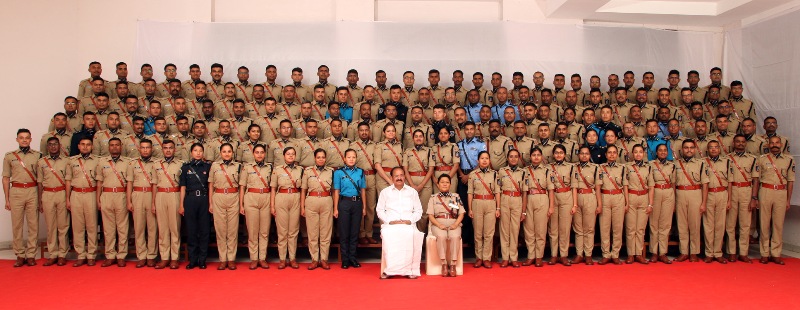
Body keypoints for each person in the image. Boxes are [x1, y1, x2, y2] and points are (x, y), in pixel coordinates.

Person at [377, 167, 424, 279]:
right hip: (390, 224)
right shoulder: (385, 192)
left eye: (401, 175)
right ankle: (390, 270)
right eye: (396, 176)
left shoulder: (412, 192)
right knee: (389, 235)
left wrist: (410, 220)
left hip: (408, 223)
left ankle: (409, 270)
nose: (399, 178)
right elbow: (379, 210)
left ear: (405, 177)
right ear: (392, 178)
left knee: (410, 234)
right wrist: (389, 221)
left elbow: (419, 211)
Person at [754, 135, 795, 265]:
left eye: (777, 143)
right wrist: (755, 197)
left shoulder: (789, 160)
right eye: (772, 143)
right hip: (765, 191)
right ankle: (764, 253)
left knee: (778, 224)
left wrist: (788, 199)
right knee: (764, 224)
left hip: (781, 193)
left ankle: (776, 253)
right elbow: (756, 179)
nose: (774, 145)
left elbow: (790, 181)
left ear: (781, 145)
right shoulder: (761, 159)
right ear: (768, 145)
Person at [3, 129, 41, 267]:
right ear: (17, 139)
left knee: (33, 224)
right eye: (21, 138)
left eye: (27, 138)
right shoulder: (9, 156)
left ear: (31, 139)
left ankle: (31, 254)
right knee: (17, 225)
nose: (24, 140)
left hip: (32, 190)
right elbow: (6, 178)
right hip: (16, 191)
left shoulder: (38, 156)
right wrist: (7, 199)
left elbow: (41, 179)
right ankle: (19, 254)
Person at [94, 137, 131, 268]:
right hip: (106, 195)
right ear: (108, 147)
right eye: (112, 145)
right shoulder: (102, 162)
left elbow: (129, 183)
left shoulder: (127, 162)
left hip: (121, 195)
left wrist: (128, 200)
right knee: (108, 228)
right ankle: (110, 255)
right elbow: (99, 182)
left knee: (122, 227)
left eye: (117, 145)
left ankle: (121, 255)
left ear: (121, 146)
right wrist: (98, 199)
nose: (114, 147)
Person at [65, 137, 100, 266]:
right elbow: (68, 180)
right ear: (78, 146)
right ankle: (80, 254)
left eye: (88, 145)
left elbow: (100, 181)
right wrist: (68, 198)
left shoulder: (97, 161)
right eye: (83, 144)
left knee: (91, 225)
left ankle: (91, 254)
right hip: (76, 194)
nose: (85, 147)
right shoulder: (72, 161)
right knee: (78, 226)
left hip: (91, 193)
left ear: (92, 147)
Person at [36, 137, 70, 266]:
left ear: (59, 145)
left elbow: (68, 181)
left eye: (55, 144)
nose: (53, 147)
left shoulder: (66, 161)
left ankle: (62, 254)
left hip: (61, 193)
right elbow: (39, 183)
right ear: (47, 147)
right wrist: (40, 200)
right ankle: (53, 253)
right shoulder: (41, 162)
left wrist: (68, 198)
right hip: (48, 193)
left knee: (63, 226)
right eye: (50, 145)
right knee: (51, 226)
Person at [674, 139, 709, 263]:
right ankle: (684, 251)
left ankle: (694, 252)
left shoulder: (701, 164)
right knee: (682, 225)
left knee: (694, 225)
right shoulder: (676, 164)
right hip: (680, 193)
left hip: (695, 193)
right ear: (682, 150)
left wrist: (704, 203)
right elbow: (673, 183)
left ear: (694, 149)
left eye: (691, 148)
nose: (689, 150)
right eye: (686, 148)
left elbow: (705, 184)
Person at [238, 144, 273, 270]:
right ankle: (253, 258)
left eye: (262, 152)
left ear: (265, 154)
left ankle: (262, 258)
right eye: (257, 152)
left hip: (266, 198)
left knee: (264, 230)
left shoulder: (270, 167)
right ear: (253, 154)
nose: (259, 155)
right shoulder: (247, 167)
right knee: (252, 231)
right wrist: (241, 204)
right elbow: (242, 186)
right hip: (251, 197)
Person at [208, 143, 241, 270]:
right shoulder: (215, 166)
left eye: (229, 151)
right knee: (220, 229)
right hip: (219, 196)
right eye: (224, 151)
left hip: (233, 197)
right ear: (220, 153)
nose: (227, 154)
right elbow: (211, 184)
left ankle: (231, 259)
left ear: (232, 153)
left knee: (232, 230)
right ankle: (223, 259)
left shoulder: (238, 166)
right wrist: (210, 202)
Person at [725, 134, 758, 263]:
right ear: (733, 143)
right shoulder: (727, 159)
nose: (740, 144)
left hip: (746, 191)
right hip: (731, 191)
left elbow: (755, 180)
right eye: (737, 141)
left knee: (745, 224)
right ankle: (731, 251)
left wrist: (754, 198)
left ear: (746, 144)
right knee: (730, 224)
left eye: (742, 142)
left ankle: (743, 252)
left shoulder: (752, 159)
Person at [126, 139, 158, 268]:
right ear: (139, 149)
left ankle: (151, 255)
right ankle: (141, 255)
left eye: (148, 148)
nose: (145, 150)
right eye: (143, 148)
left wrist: (154, 201)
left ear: (152, 149)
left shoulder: (156, 163)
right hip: (137, 194)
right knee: (139, 228)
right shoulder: (132, 164)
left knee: (152, 227)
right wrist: (129, 201)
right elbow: (129, 183)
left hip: (151, 194)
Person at [152, 140, 184, 269]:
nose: (168, 150)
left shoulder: (180, 164)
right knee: (162, 228)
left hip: (174, 195)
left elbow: (182, 185)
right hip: (160, 195)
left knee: (174, 227)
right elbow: (154, 184)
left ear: (174, 149)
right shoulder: (156, 165)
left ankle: (175, 258)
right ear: (162, 149)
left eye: (171, 148)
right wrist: (153, 202)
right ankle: (164, 257)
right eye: (165, 148)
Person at [270, 147, 303, 269]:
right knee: (282, 231)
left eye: (293, 154)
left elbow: (302, 188)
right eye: (288, 154)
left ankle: (293, 258)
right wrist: (272, 205)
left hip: (295, 197)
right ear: (284, 156)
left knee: (293, 231)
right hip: (281, 197)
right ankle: (282, 258)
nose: (290, 156)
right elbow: (273, 188)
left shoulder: (300, 170)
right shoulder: (277, 170)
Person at [333, 149, 367, 269]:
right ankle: (345, 259)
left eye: (353, 157)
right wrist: (335, 208)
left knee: (354, 232)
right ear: (344, 159)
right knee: (344, 232)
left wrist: (364, 207)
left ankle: (353, 258)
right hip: (344, 203)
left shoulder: (361, 172)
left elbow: (363, 190)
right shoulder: (338, 173)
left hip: (357, 203)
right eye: (349, 157)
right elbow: (336, 191)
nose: (351, 159)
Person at [301, 149, 334, 270]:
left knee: (325, 232)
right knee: (312, 232)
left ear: (326, 158)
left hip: (326, 200)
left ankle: (324, 259)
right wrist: (302, 206)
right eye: (318, 157)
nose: (321, 159)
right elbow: (303, 190)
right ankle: (314, 259)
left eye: (323, 157)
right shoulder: (308, 171)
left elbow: (334, 191)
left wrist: (335, 207)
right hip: (311, 201)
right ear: (314, 158)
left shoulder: (331, 171)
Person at [521, 147, 554, 267]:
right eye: (534, 155)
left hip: (542, 198)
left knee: (540, 229)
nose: (536, 157)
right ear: (530, 157)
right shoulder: (525, 171)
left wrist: (551, 206)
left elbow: (551, 190)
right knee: (529, 229)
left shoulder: (547, 171)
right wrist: (523, 210)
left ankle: (539, 256)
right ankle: (531, 256)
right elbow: (524, 191)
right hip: (529, 198)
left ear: (542, 157)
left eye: (538, 155)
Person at [180, 143, 211, 269]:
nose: (198, 153)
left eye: (200, 150)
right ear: (191, 152)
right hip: (190, 199)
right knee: (191, 230)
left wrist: (210, 203)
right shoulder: (185, 167)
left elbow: (210, 186)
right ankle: (192, 260)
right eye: (195, 150)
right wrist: (181, 205)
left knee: (204, 231)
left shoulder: (208, 167)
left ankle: (202, 259)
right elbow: (183, 187)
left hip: (204, 199)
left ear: (203, 153)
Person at [427, 174, 465, 277]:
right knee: (441, 236)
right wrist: (439, 225)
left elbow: (461, 213)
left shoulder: (456, 197)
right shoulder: (433, 198)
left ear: (450, 184)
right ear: (438, 185)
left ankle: (452, 264)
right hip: (438, 222)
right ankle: (443, 264)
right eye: (442, 182)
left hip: (453, 222)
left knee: (455, 236)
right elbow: (430, 215)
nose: (444, 184)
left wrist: (456, 224)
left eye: (447, 182)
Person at [468, 151, 500, 268]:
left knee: (489, 233)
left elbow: (497, 192)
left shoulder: (495, 174)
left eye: (487, 158)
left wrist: (498, 208)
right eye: (482, 158)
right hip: (477, 203)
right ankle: (479, 257)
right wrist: (470, 208)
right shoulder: (473, 175)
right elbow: (470, 193)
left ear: (489, 161)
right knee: (477, 233)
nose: (484, 160)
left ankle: (486, 257)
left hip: (490, 203)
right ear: (478, 161)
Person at [497, 149, 527, 268]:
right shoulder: (501, 171)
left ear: (519, 158)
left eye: (515, 157)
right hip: (505, 198)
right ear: (507, 158)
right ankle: (505, 257)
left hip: (517, 199)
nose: (513, 159)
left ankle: (513, 257)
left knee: (515, 229)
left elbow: (525, 193)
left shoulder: (523, 172)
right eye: (511, 156)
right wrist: (498, 207)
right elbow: (497, 190)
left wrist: (524, 211)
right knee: (504, 230)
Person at [598, 145, 628, 262]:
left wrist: (627, 202)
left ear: (617, 155)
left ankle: (615, 254)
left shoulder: (622, 168)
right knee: (604, 227)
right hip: (605, 196)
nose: (611, 155)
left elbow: (625, 186)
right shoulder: (600, 168)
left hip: (618, 197)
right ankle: (605, 254)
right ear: (605, 155)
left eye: (614, 152)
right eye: (609, 152)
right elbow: (598, 186)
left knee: (617, 227)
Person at [624, 144, 653, 264]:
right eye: (635, 152)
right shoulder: (627, 167)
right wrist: (626, 201)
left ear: (644, 154)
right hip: (631, 196)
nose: (638, 154)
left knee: (640, 228)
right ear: (632, 154)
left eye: (640, 152)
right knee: (631, 228)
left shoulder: (648, 167)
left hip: (644, 197)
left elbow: (651, 186)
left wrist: (650, 204)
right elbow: (625, 185)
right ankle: (631, 254)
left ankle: (639, 253)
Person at [548, 145, 577, 266]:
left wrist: (575, 204)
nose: (559, 155)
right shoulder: (548, 168)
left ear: (565, 154)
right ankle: (554, 255)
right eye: (556, 153)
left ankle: (564, 255)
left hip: (566, 196)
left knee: (564, 228)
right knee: (553, 228)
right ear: (553, 154)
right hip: (553, 196)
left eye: (561, 152)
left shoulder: (571, 167)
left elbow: (574, 186)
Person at [572, 146, 600, 265]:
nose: (584, 155)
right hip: (577, 197)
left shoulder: (595, 168)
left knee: (589, 228)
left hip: (590, 197)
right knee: (578, 228)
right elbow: (573, 187)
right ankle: (579, 253)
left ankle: (588, 254)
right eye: (582, 153)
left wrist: (599, 204)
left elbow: (598, 188)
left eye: (586, 154)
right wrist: (574, 203)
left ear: (589, 155)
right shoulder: (574, 168)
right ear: (578, 155)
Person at [403, 129, 435, 232]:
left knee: (424, 211)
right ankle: (411, 233)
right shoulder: (407, 152)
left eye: (420, 136)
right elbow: (405, 169)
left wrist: (421, 185)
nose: (418, 138)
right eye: (416, 136)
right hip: (410, 181)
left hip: (425, 182)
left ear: (424, 138)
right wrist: (412, 184)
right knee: (409, 209)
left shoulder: (429, 151)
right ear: (413, 139)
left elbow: (431, 170)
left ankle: (421, 234)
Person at [648, 144, 676, 263]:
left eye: (665, 150)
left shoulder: (672, 166)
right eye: (660, 150)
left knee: (665, 224)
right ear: (656, 152)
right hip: (656, 192)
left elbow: (674, 183)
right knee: (654, 223)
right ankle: (654, 252)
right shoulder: (651, 165)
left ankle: (663, 252)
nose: (663, 152)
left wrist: (673, 199)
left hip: (668, 192)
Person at [374, 123, 403, 194]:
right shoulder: (379, 146)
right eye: (388, 131)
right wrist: (389, 181)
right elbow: (377, 166)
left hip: (397, 178)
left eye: (393, 131)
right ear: (384, 133)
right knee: (385, 202)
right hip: (383, 179)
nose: (391, 133)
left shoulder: (400, 146)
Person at [433, 127, 460, 193]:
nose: (443, 135)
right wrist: (434, 179)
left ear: (449, 135)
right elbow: (431, 166)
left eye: (445, 133)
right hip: (437, 177)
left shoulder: (454, 147)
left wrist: (447, 179)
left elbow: (456, 165)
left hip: (450, 176)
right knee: (438, 200)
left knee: (450, 200)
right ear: (438, 135)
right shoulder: (434, 148)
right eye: (441, 133)